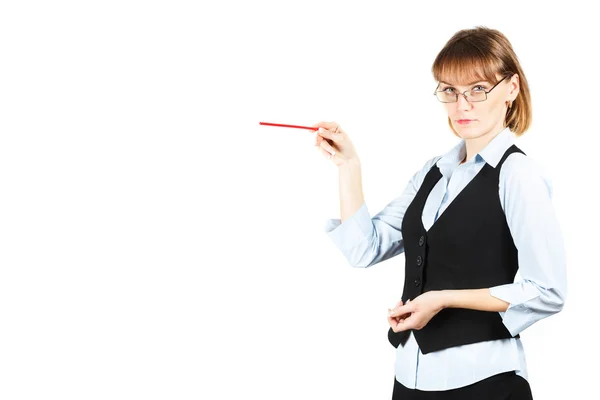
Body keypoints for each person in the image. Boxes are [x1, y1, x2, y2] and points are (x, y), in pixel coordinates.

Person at [311, 26, 566, 399]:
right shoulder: (433, 172)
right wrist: (348, 166)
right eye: (449, 90)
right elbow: (364, 249)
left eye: (478, 89)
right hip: (409, 377)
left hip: (482, 380)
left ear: (511, 88)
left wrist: (443, 298)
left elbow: (547, 290)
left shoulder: (517, 174)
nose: (462, 105)